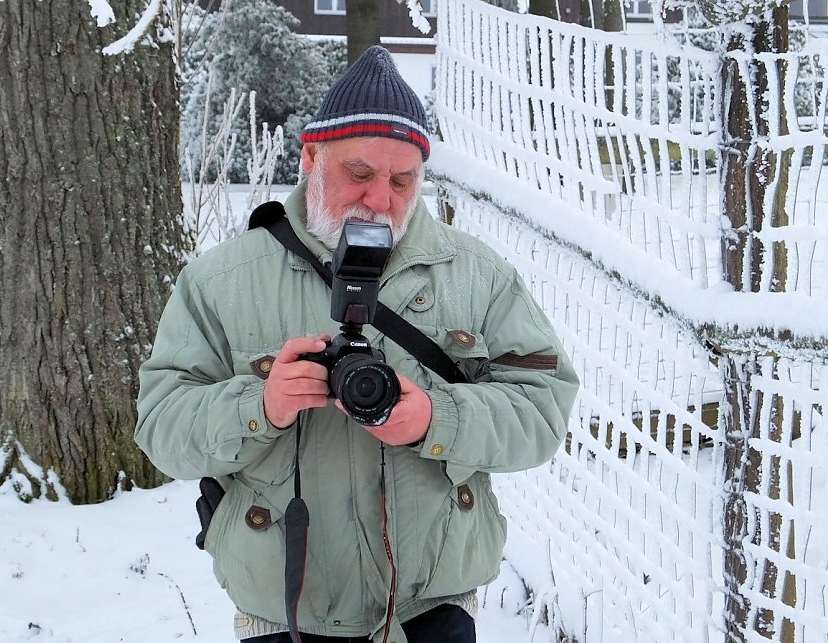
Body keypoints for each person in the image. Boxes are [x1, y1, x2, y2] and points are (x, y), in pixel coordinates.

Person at [135, 46, 579, 643]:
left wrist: (434, 418)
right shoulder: (222, 281)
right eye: (360, 174)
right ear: (311, 157)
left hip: (433, 604)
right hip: (284, 603)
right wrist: (260, 406)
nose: (380, 200)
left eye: (403, 181)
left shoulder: (478, 276)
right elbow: (163, 428)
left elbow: (543, 412)